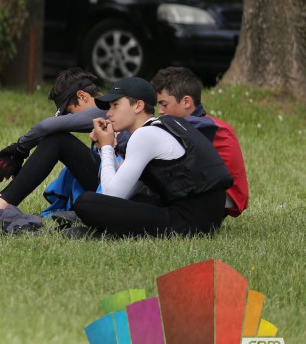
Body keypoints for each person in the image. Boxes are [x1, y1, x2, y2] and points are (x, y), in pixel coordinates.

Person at [72, 76, 233, 237]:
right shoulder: (160, 127)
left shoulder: (145, 135)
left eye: (115, 105)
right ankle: (104, 232)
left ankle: (105, 233)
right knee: (127, 201)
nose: (109, 113)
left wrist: (106, 146)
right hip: (201, 217)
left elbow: (110, 194)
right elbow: (122, 194)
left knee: (86, 202)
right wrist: (105, 148)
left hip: (190, 220)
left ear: (138, 106)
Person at [0, 68, 109, 212]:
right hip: (110, 181)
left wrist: (20, 148)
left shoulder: (108, 109)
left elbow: (46, 126)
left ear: (82, 96)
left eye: (69, 112)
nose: (69, 118)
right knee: (56, 138)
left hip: (120, 194)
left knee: (58, 139)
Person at [150, 66, 249, 217]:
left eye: (164, 104)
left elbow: (154, 135)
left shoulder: (205, 126)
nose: (161, 111)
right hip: (211, 190)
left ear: (186, 102)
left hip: (223, 196)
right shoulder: (201, 123)